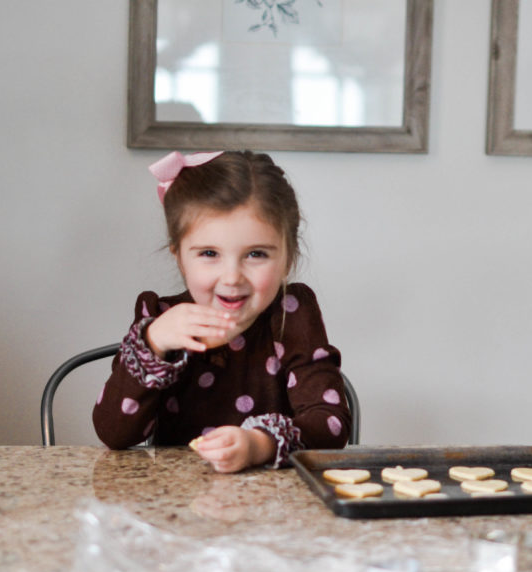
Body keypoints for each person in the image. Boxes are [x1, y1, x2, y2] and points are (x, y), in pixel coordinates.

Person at [93, 150, 350, 472]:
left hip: (274, 505)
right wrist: (153, 344)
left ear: (288, 257)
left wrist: (259, 444)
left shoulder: (291, 314)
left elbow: (330, 423)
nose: (232, 277)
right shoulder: (160, 317)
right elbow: (114, 434)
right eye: (209, 253)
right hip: (175, 501)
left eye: (256, 254)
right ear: (179, 255)